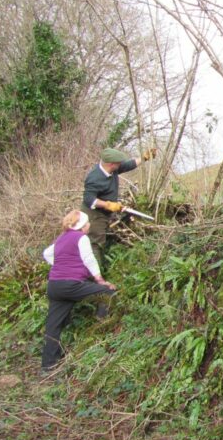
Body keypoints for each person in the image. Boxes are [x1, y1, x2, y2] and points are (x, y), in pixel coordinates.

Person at [40, 210, 117, 375]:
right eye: (88, 223)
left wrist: (60, 265)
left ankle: (48, 365)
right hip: (71, 285)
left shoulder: (61, 238)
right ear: (83, 225)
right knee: (107, 292)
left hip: (54, 286)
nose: (89, 225)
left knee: (53, 325)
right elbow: (89, 258)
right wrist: (100, 280)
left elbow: (46, 254)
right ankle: (101, 324)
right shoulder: (81, 237)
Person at [81, 147, 156, 276]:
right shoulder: (94, 178)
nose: (120, 164)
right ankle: (95, 276)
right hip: (94, 215)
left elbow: (128, 165)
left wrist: (144, 158)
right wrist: (108, 204)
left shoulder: (113, 170)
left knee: (106, 239)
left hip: (106, 213)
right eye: (118, 163)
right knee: (96, 243)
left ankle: (103, 266)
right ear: (111, 164)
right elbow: (88, 199)